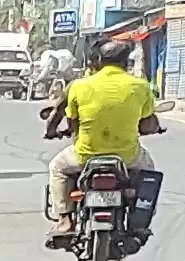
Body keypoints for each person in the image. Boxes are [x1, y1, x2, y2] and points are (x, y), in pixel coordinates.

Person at [43, 41, 162, 248]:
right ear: (126, 62)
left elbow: (73, 123)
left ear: (97, 61)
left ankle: (65, 220)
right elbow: (149, 123)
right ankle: (138, 221)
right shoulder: (140, 86)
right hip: (127, 158)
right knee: (148, 172)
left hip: (85, 156)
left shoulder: (79, 86)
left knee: (57, 168)